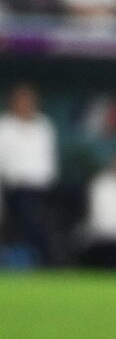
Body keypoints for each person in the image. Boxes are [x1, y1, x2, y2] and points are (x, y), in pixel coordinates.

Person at [0, 83, 58, 265]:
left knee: (41, 225)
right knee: (22, 225)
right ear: (13, 102)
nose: (26, 104)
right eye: (21, 100)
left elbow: (48, 156)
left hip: (42, 188)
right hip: (13, 187)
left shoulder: (44, 124)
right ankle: (22, 261)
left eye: (29, 100)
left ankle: (37, 261)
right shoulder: (5, 126)